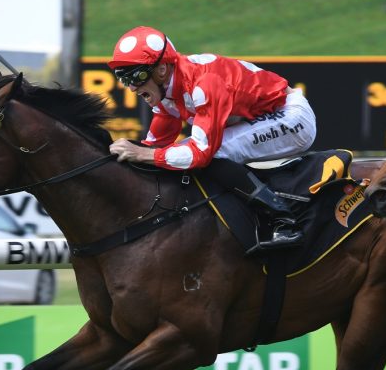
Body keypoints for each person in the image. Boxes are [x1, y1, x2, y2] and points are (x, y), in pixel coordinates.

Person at [106, 26, 317, 252]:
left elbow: (199, 154)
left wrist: (143, 154)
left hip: (291, 117)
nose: (131, 87)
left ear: (162, 70)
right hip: (259, 117)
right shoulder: (165, 91)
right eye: (124, 78)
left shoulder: (204, 83)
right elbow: (155, 146)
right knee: (175, 153)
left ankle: (283, 220)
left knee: (211, 153)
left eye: (136, 76)